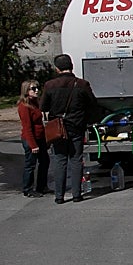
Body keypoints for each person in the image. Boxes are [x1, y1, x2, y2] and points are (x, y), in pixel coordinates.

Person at [40, 53, 99, 204]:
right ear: (71, 66)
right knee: (76, 159)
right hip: (77, 126)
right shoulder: (82, 84)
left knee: (59, 160)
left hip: (58, 128)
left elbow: (44, 107)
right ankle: (77, 194)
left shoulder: (49, 85)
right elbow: (92, 105)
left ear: (57, 69)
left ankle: (59, 196)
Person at [17, 79, 50, 197]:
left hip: (40, 137)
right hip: (31, 139)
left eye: (37, 88)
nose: (36, 91)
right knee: (30, 164)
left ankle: (42, 186)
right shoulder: (24, 107)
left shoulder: (35, 103)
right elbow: (27, 127)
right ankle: (28, 189)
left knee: (45, 161)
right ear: (26, 91)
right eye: (33, 89)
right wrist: (33, 144)